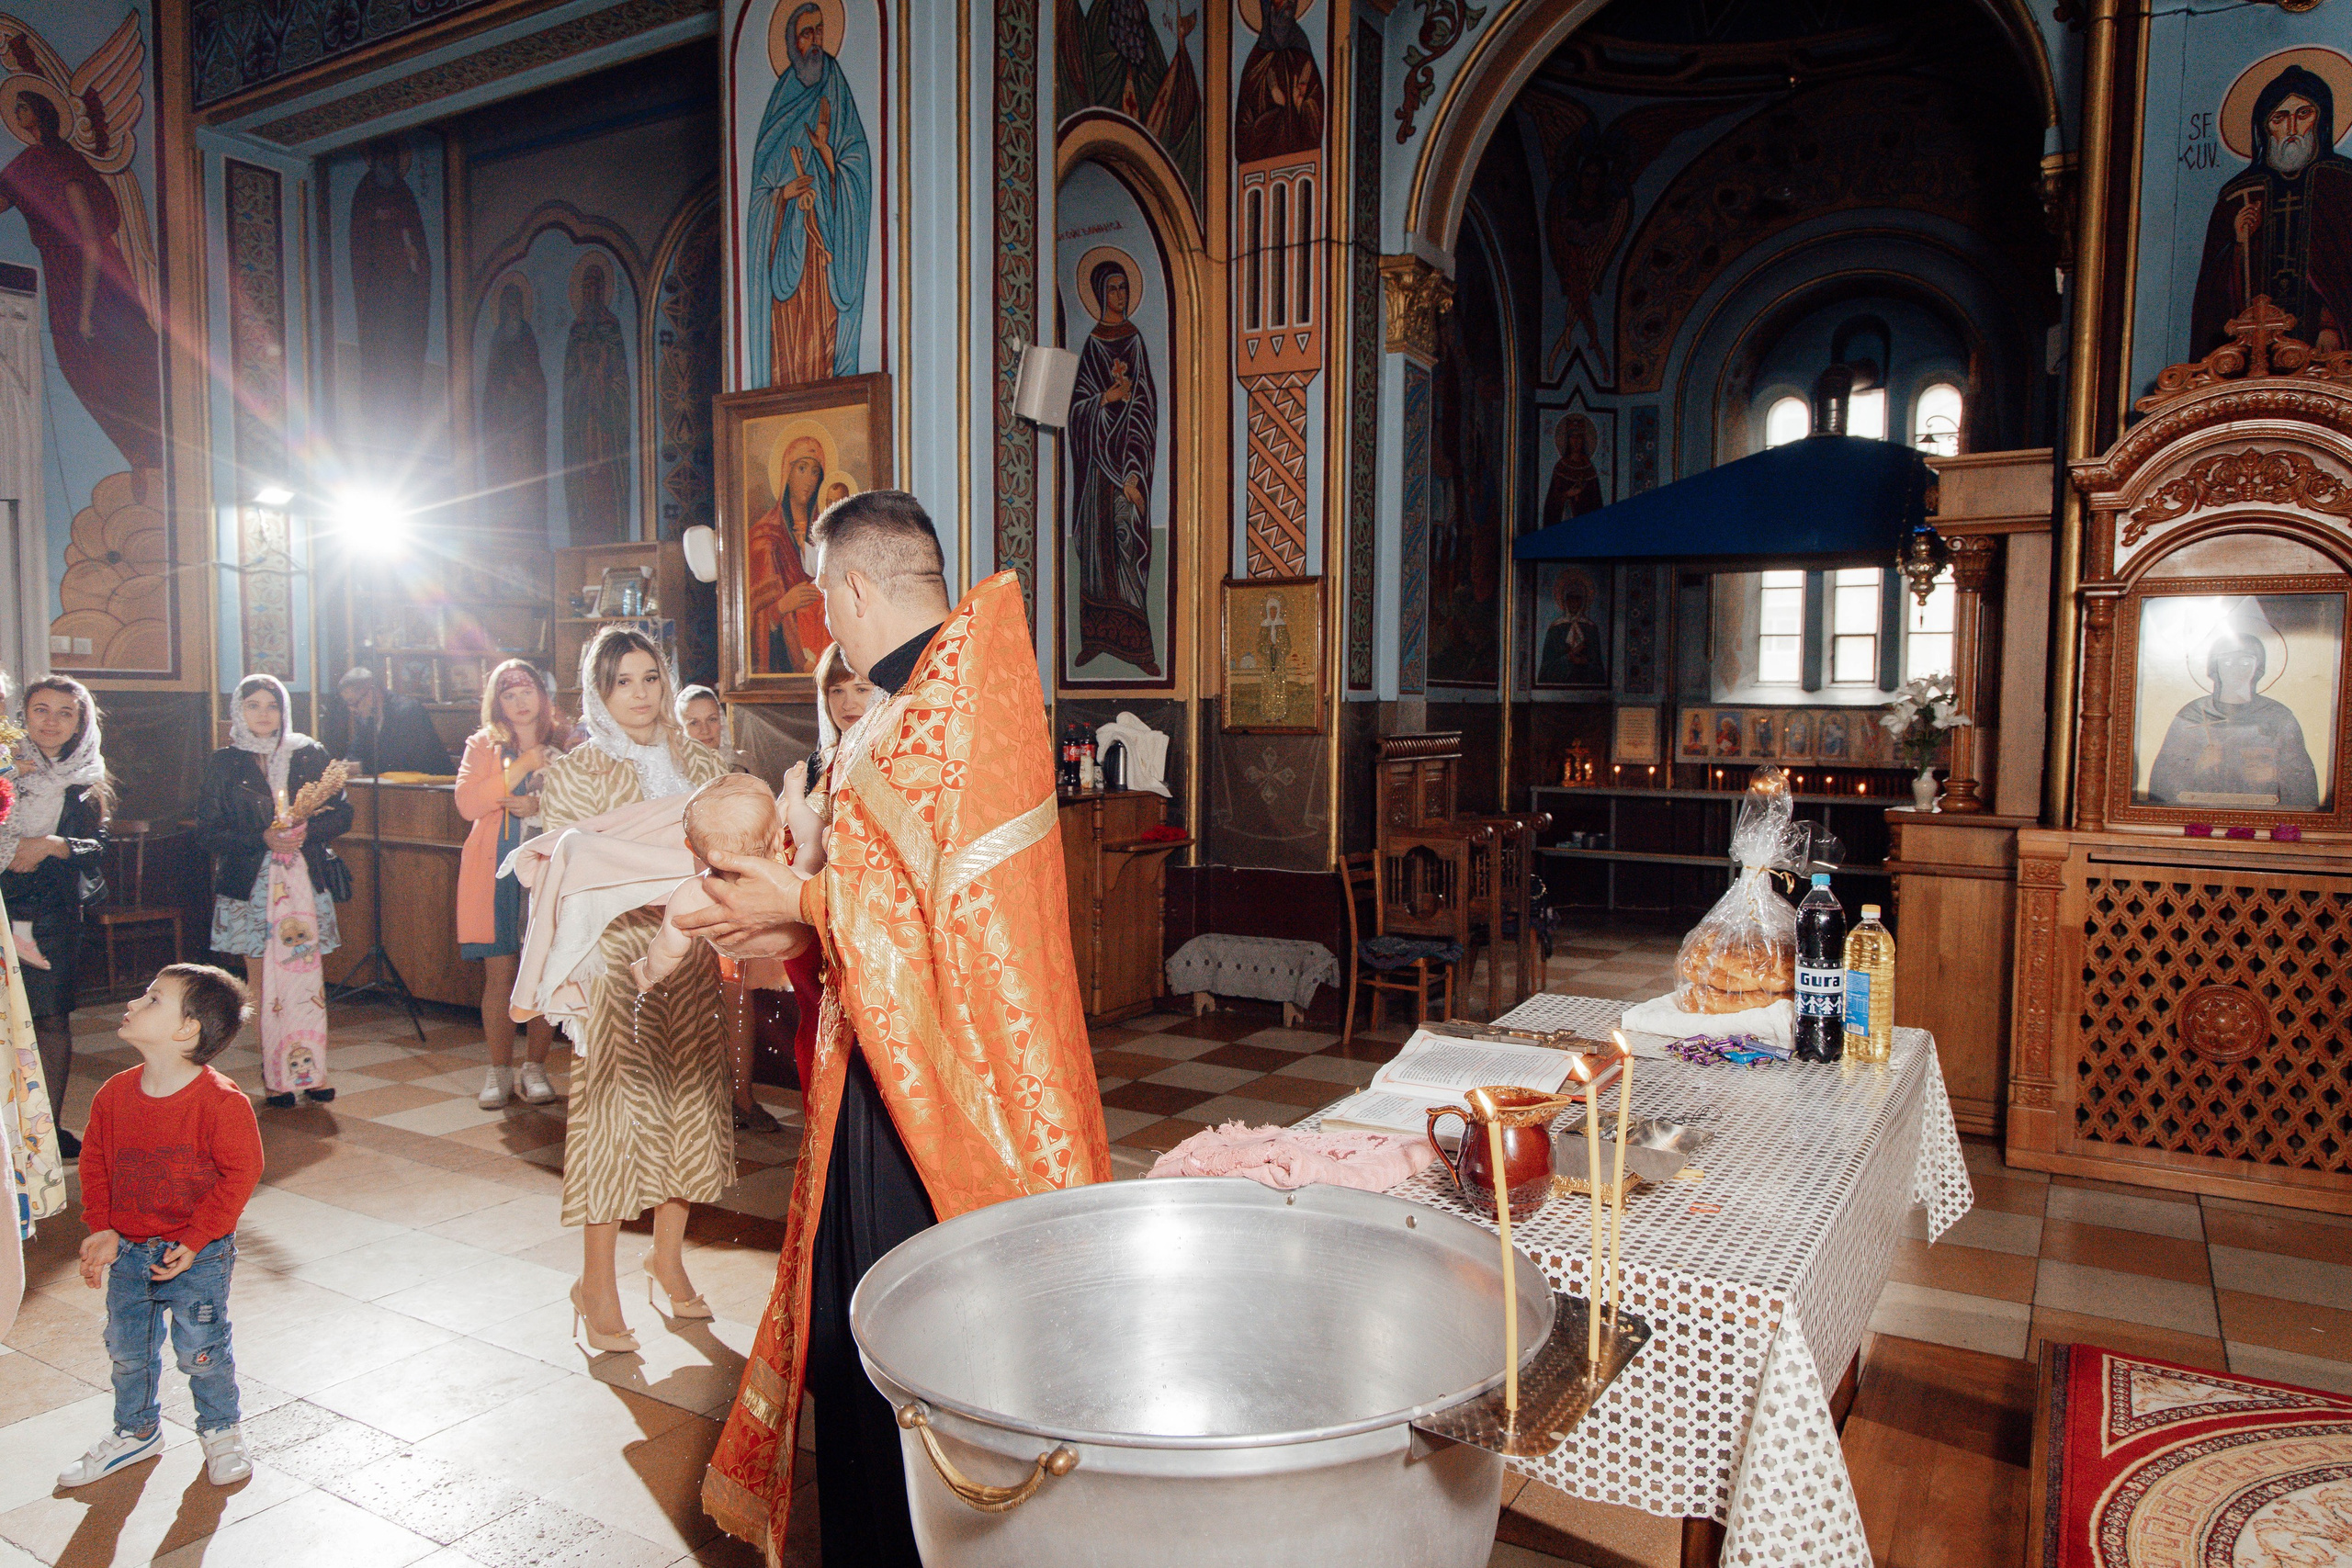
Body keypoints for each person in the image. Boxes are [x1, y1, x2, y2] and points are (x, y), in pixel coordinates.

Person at [694, 491, 1112, 1566]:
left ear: (854, 588)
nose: (821, 619)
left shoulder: (947, 706)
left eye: (824, 596)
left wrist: (800, 901)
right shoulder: (908, 701)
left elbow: (943, 919)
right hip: (876, 1060)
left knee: (906, 1341)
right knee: (851, 1333)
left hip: (936, 1089)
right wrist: (794, 902)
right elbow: (885, 894)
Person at [537, 626, 732, 1354]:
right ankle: (596, 1283)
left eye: (652, 677)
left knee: (686, 1105)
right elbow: (564, 879)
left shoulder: (703, 762)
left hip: (690, 955)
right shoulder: (577, 772)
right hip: (617, 958)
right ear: (599, 690)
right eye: (624, 681)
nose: (643, 694)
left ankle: (666, 1257)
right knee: (614, 1120)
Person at [56, 963, 260, 1490]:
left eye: (152, 999)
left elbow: (242, 1173)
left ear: (186, 1029)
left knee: (201, 1349)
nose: (134, 1003)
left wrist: (196, 1239)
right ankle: (136, 1431)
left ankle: (220, 1430)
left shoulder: (222, 1103)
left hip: (198, 1253)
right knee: (127, 1350)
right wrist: (101, 1226)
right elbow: (96, 1162)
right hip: (126, 1250)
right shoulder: (113, 1095)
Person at [195, 674, 353, 1109]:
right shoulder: (224, 763)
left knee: (307, 978)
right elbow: (208, 832)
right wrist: (261, 837)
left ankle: (313, 1072)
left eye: (272, 705)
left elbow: (343, 814)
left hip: (303, 879)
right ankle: (278, 1079)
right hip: (251, 884)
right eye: (253, 706)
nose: (264, 714)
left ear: (285, 710)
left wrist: (307, 830)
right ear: (238, 712)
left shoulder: (309, 753)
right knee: (264, 984)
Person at [456, 660, 576, 1110]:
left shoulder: (567, 740)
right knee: (501, 972)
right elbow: (468, 803)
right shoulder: (483, 745)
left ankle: (536, 1066)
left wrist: (539, 806)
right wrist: (524, 764)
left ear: (543, 697)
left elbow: (584, 804)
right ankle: (499, 1069)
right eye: (510, 695)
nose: (521, 702)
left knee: (542, 967)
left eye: (528, 691)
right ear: (497, 703)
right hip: (495, 873)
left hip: (549, 869)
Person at [1, 677, 112, 1158]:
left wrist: (52, 845)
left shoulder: (87, 777)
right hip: (3, 900)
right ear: (22, 714)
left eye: (64, 713)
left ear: (79, 721)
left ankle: (46, 1129)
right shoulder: (6, 766)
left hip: (53, 909)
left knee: (50, 1018)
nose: (51, 721)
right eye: (40, 709)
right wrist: (14, 849)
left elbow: (99, 846)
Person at [630, 776, 808, 996]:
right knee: (810, 849)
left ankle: (786, 805)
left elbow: (668, 950)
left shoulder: (690, 894)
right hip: (798, 943)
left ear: (691, 848)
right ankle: (795, 801)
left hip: (739, 949)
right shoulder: (788, 880)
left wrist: (648, 974)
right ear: (779, 840)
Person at [2147, 629, 2323, 810]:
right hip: (2199, 813)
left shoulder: (2278, 717)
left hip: (2263, 814)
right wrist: (2198, 766)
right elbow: (2163, 782)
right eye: (2228, 661)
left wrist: (2273, 775)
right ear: (2215, 667)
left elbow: (2302, 781)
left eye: (2246, 661)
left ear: (2258, 667)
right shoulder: (2192, 715)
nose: (2236, 669)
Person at [328, 667, 451, 776]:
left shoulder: (408, 711)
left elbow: (404, 761)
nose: (352, 710)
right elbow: (356, 753)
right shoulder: (365, 718)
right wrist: (344, 766)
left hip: (432, 787)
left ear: (372, 693)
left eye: (354, 703)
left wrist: (361, 767)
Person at [675, 685, 743, 772]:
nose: (705, 730)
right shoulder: (673, 772)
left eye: (712, 719)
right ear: (681, 728)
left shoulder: (742, 766)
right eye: (694, 723)